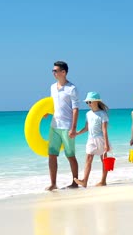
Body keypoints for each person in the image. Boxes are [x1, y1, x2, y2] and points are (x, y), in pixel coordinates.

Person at [46, 61, 80, 191]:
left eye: (56, 70)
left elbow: (75, 109)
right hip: (54, 125)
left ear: (63, 72)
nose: (53, 73)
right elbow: (52, 104)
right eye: (53, 70)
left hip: (67, 126)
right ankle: (53, 183)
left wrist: (73, 128)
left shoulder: (72, 88)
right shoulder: (52, 87)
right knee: (52, 155)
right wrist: (46, 113)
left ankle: (75, 182)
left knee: (70, 155)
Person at [74, 92, 111, 188]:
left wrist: (106, 144)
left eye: (90, 102)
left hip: (101, 139)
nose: (88, 104)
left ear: (96, 102)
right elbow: (86, 128)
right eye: (87, 102)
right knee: (88, 158)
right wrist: (77, 133)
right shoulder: (88, 114)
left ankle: (103, 181)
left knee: (104, 160)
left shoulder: (102, 114)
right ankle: (84, 181)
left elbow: (104, 130)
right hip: (91, 139)